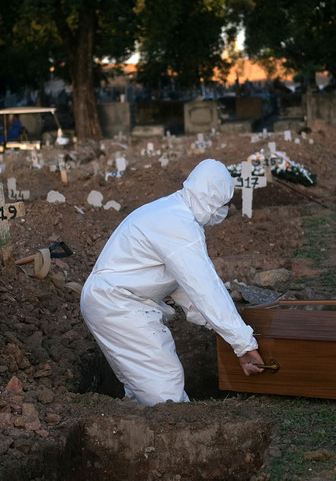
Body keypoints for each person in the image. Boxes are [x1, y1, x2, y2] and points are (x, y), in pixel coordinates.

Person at [80, 159, 266, 405]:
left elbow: (186, 293)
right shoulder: (179, 225)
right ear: (213, 198)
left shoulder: (170, 213)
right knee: (165, 387)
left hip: (114, 302)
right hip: (118, 305)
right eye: (222, 204)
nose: (222, 211)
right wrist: (242, 344)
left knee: (143, 390)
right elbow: (204, 288)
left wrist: (227, 329)